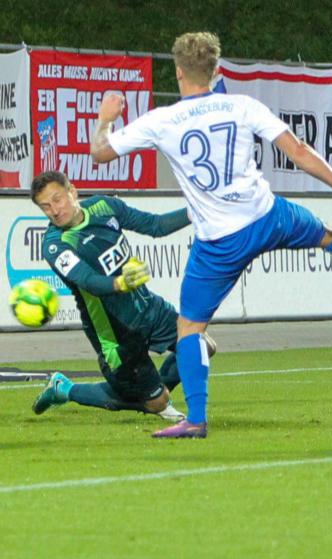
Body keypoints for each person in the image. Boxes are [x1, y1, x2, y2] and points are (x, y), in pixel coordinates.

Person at [90, 31, 332, 438]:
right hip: (268, 216)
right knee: (327, 237)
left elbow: (100, 152)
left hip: (218, 242)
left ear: (177, 72)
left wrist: (106, 117)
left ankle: (196, 419)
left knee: (190, 330)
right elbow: (295, 149)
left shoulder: (161, 120)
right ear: (215, 70)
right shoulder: (242, 105)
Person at [28, 171, 208, 422]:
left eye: (57, 199)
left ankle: (152, 391)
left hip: (148, 308)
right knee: (157, 402)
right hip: (116, 334)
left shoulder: (104, 206)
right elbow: (89, 281)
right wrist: (120, 283)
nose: (54, 210)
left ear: (73, 191)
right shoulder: (55, 244)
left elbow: (155, 225)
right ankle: (66, 389)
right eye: (45, 207)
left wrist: (197, 211)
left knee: (201, 346)